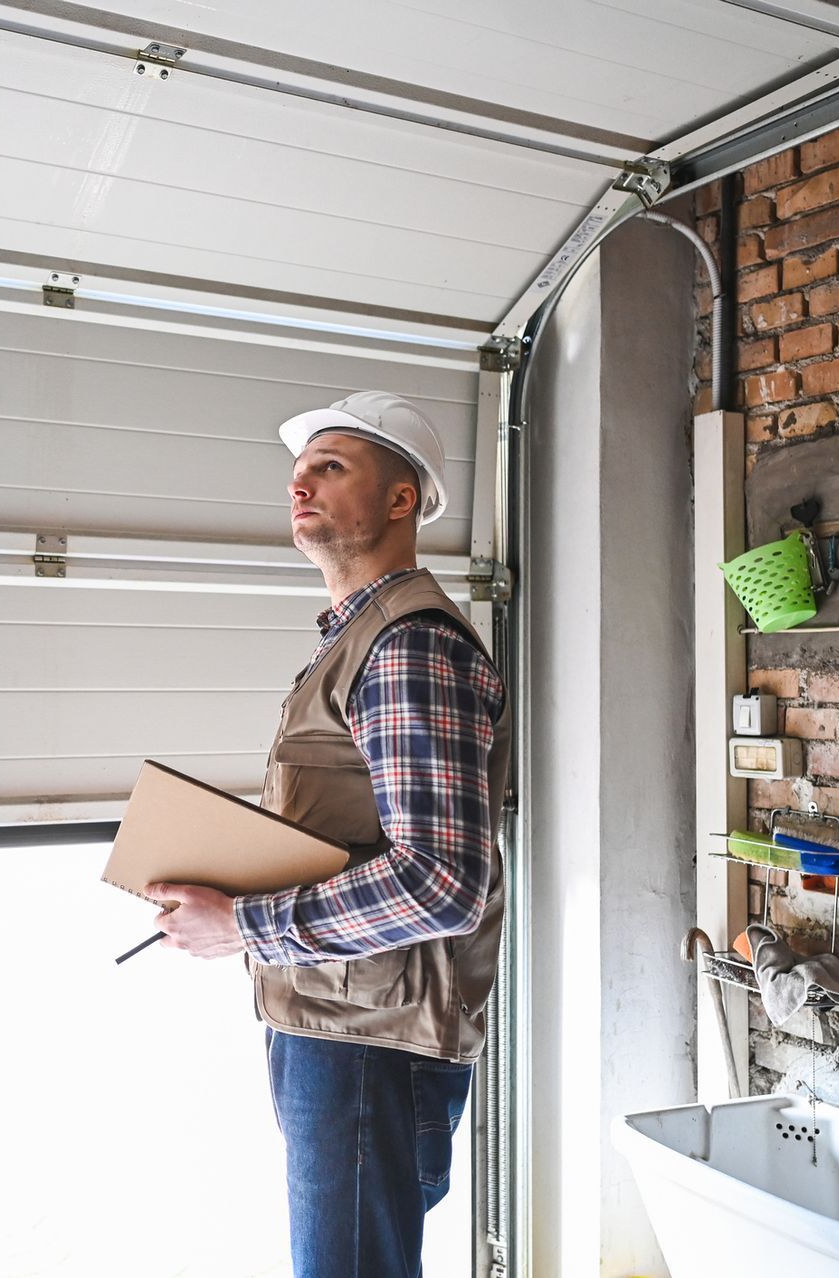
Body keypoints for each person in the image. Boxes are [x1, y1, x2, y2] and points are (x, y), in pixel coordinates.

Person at [146, 390, 510, 1278]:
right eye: (298, 472)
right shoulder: (357, 642)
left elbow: (442, 881)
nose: (299, 485)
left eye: (330, 467)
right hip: (338, 1024)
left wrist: (242, 924)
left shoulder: (407, 648)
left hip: (368, 1042)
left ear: (400, 500)